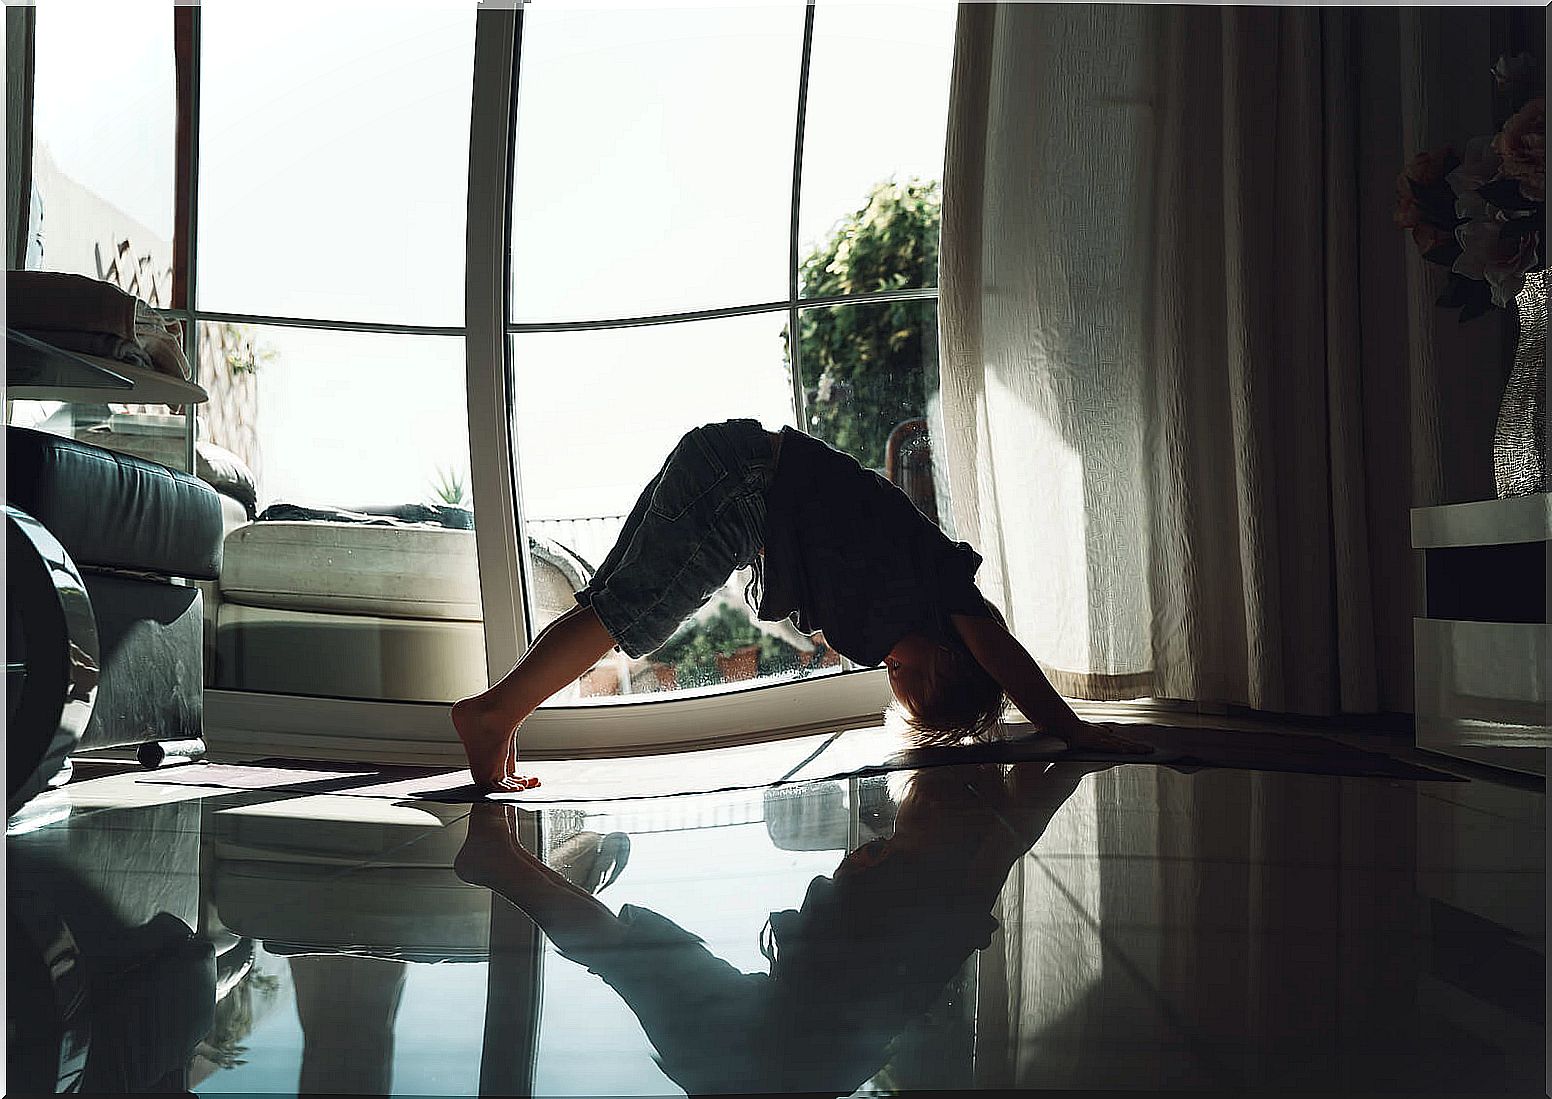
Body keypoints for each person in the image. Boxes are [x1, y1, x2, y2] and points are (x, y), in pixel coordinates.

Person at [453, 419, 1147, 791]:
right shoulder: (941, 586)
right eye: (912, 676)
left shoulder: (897, 607)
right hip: (741, 486)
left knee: (618, 606)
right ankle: (492, 715)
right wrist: (1069, 727)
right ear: (950, 651)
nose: (894, 675)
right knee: (629, 616)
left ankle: (501, 716)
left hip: (730, 467)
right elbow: (1002, 655)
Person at [452, 759, 1113, 1095]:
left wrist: (1059, 764)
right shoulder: (919, 867)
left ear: (949, 821)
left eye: (921, 800)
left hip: (773, 1056)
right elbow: (1013, 825)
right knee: (633, 952)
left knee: (633, 952)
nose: (909, 798)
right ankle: (503, 863)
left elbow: (1015, 831)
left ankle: (502, 864)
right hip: (776, 1041)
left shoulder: (949, 894)